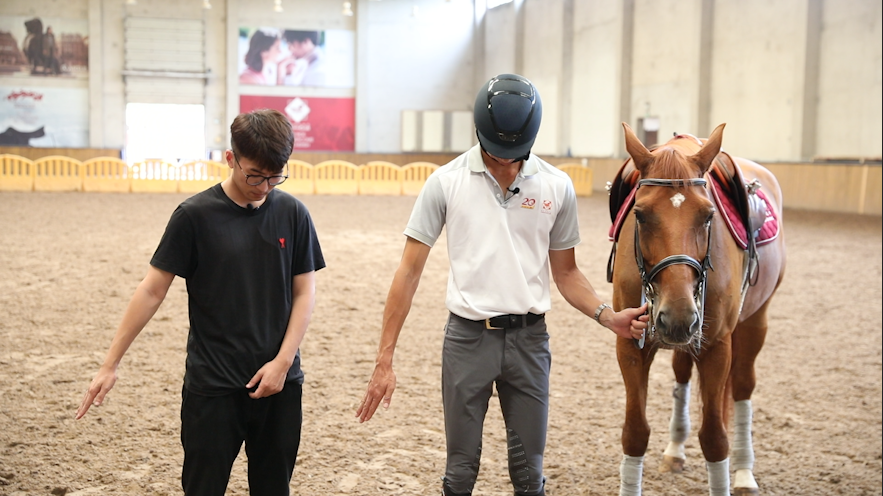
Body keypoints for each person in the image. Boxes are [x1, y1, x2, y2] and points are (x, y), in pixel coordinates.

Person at [356, 74, 649, 496]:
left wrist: (608, 316)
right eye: (497, 152)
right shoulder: (445, 182)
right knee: (460, 470)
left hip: (530, 342)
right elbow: (408, 272)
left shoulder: (557, 186)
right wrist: (385, 358)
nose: (505, 163)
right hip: (467, 339)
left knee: (530, 474)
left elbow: (565, 272)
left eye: (514, 155)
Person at [75, 109, 326, 496]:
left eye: (276, 176)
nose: (264, 187)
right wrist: (110, 364)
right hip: (213, 387)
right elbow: (152, 290)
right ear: (231, 159)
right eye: (255, 175)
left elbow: (304, 292)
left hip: (280, 385)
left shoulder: (293, 213)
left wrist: (283, 362)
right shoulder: (194, 216)